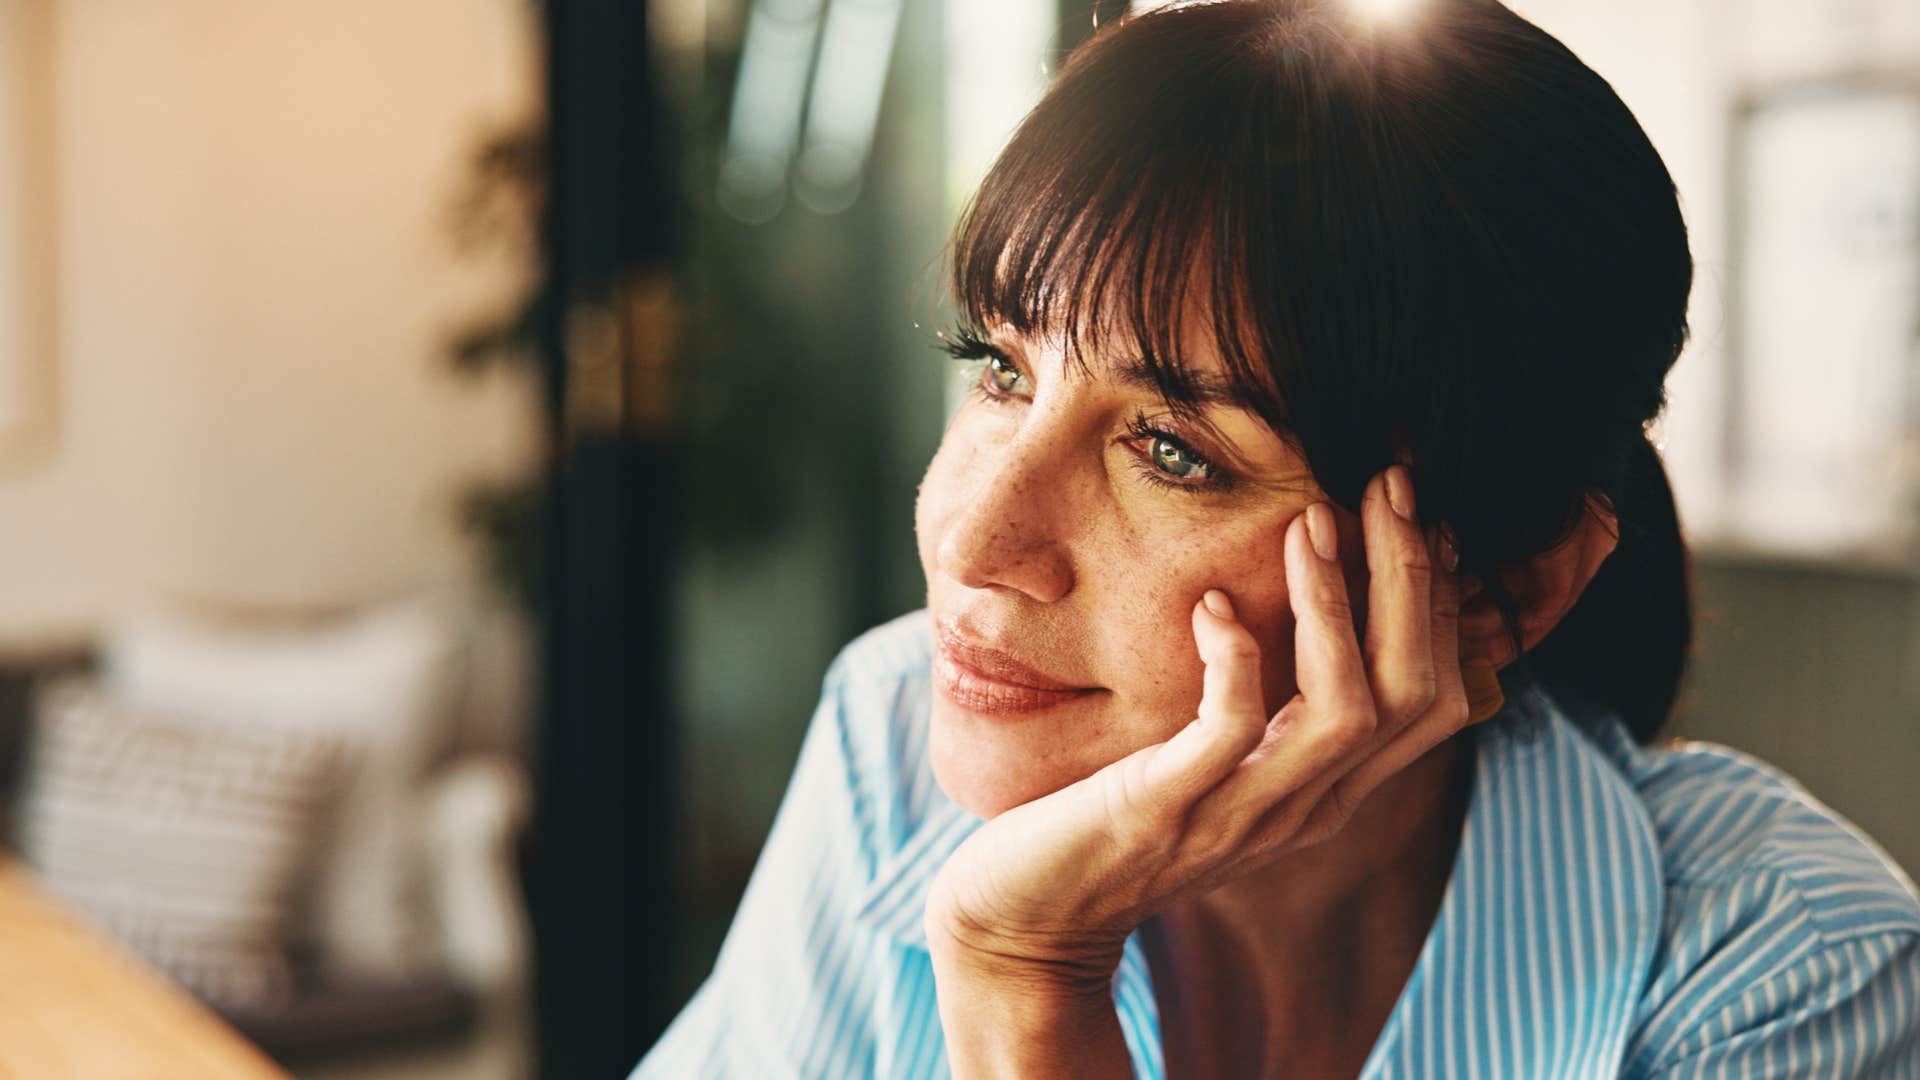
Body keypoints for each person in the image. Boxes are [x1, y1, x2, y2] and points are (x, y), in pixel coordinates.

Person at [635, 0, 1920, 1075]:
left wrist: (1026, 979)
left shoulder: (1789, 968)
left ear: (1495, 588)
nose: (973, 537)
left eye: (1175, 452)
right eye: (1004, 370)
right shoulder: (893, 738)